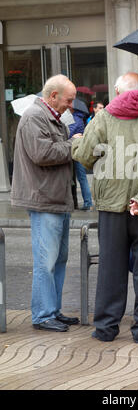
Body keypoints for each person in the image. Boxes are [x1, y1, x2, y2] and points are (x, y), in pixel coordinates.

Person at [72, 72, 138, 343]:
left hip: (111, 206)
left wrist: (77, 143)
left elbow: (84, 157)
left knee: (111, 268)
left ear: (119, 91)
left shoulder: (104, 118)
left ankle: (106, 328)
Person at [11, 74, 81, 332]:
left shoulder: (51, 116)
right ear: (53, 96)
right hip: (44, 199)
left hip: (56, 198)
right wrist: (73, 145)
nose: (71, 106)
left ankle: (53, 310)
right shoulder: (34, 117)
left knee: (58, 261)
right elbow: (42, 154)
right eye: (69, 100)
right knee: (46, 262)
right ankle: (43, 315)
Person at [69, 109, 93, 210]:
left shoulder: (75, 119)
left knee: (81, 177)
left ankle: (88, 203)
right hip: (77, 149)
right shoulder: (79, 118)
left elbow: (69, 133)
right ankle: (85, 202)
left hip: (76, 150)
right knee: (80, 178)